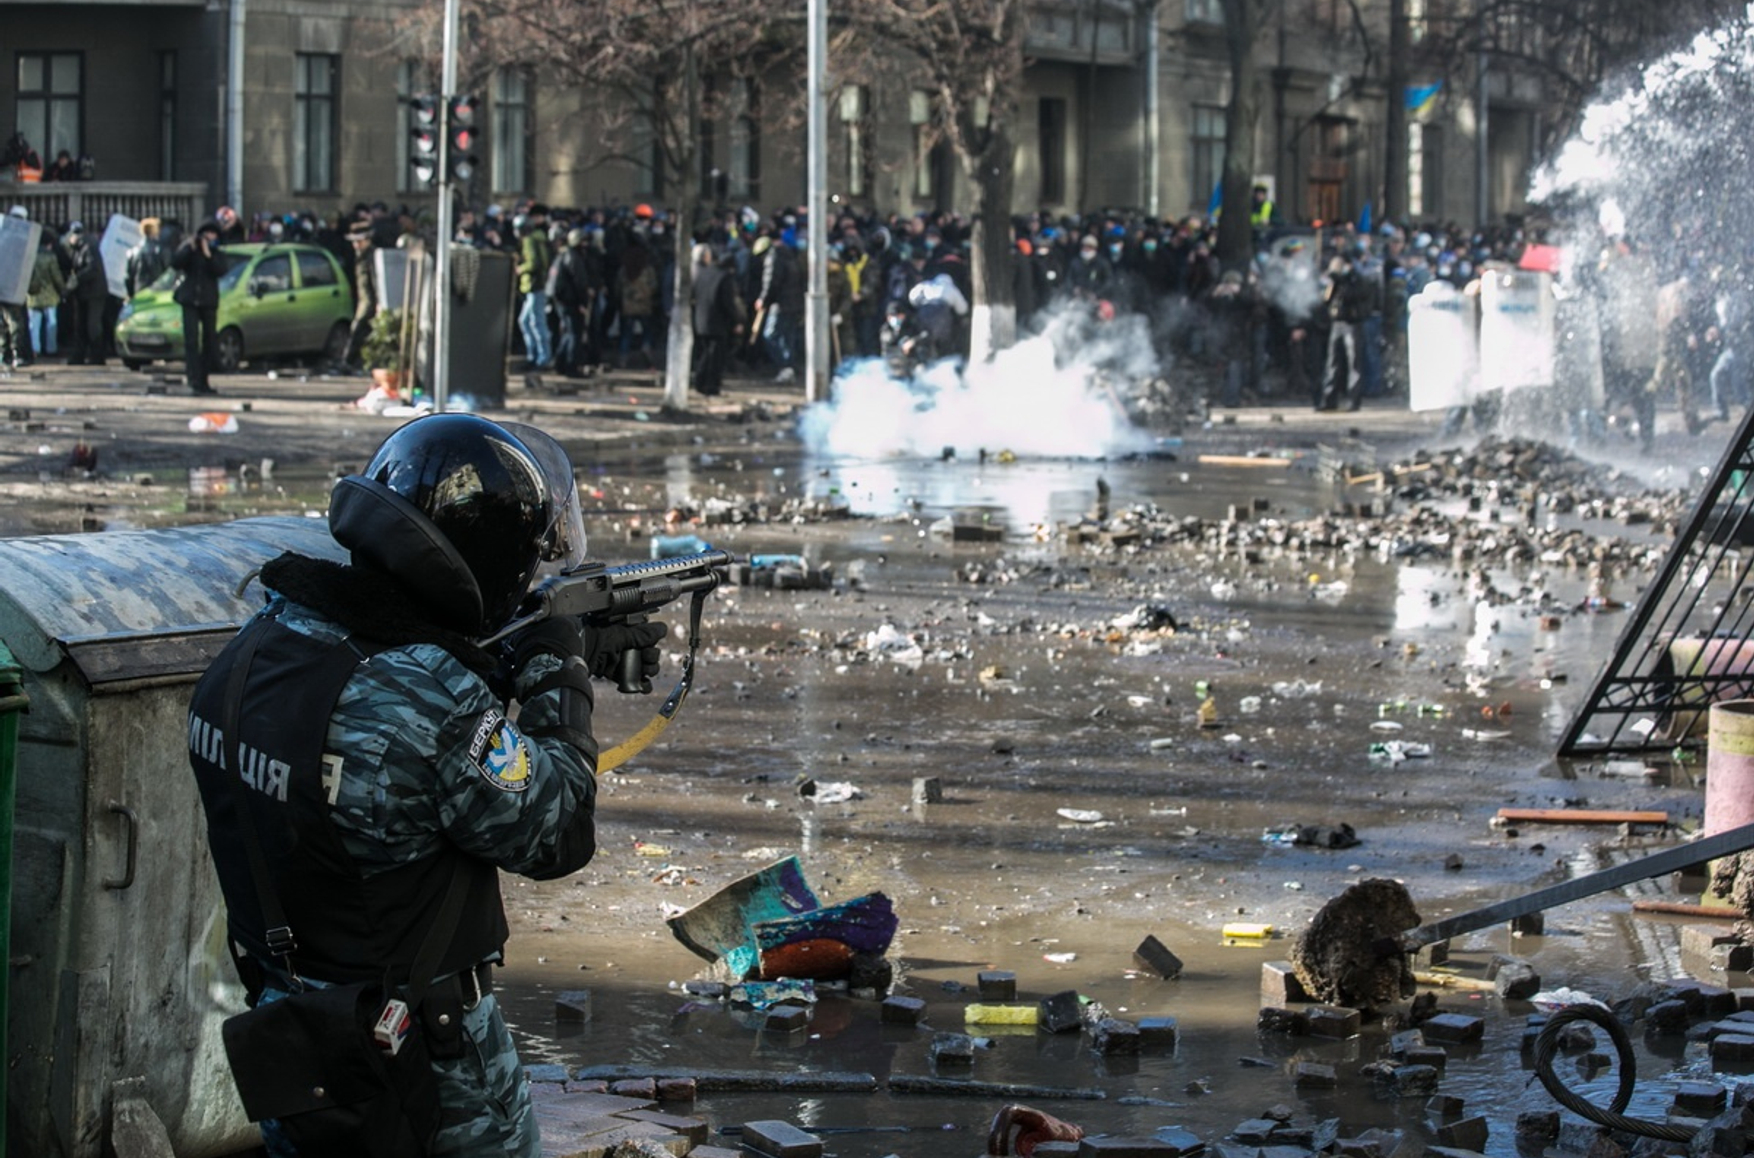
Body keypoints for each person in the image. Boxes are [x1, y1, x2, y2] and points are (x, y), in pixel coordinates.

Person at [187, 415, 666, 1158]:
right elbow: (559, 830)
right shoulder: (429, 700)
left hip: (297, 1043)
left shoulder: (257, 648)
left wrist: (506, 661)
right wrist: (557, 669)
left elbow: (388, 730)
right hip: (428, 1062)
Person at [172, 219, 226, 394]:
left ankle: (204, 380)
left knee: (209, 340)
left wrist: (208, 254)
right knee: (191, 341)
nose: (209, 237)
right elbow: (176, 263)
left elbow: (220, 270)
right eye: (206, 234)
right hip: (190, 299)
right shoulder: (191, 250)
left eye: (213, 234)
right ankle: (193, 379)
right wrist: (190, 248)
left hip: (208, 301)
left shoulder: (216, 253)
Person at [690, 243, 744, 397]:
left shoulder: (704, 273)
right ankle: (711, 386)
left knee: (706, 354)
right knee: (715, 357)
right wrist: (737, 321)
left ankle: (700, 382)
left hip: (701, 320)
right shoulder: (724, 278)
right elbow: (728, 303)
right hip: (718, 323)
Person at [63, 222, 109, 367]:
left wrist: (77, 279)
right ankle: (79, 356)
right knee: (81, 325)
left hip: (94, 293)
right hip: (84, 293)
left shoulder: (89, 246)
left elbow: (93, 268)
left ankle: (97, 356)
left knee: (92, 325)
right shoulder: (80, 248)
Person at [27, 224, 65, 361]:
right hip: (50, 295)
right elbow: (56, 277)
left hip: (33, 295)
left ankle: (35, 349)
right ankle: (51, 349)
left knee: (34, 324)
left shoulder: (30, 255)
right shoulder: (50, 257)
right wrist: (63, 289)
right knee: (51, 323)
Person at [126, 218, 171, 298]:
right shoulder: (161, 250)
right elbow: (168, 273)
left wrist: (130, 294)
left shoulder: (133, 252)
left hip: (139, 291)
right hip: (157, 292)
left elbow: (129, 277)